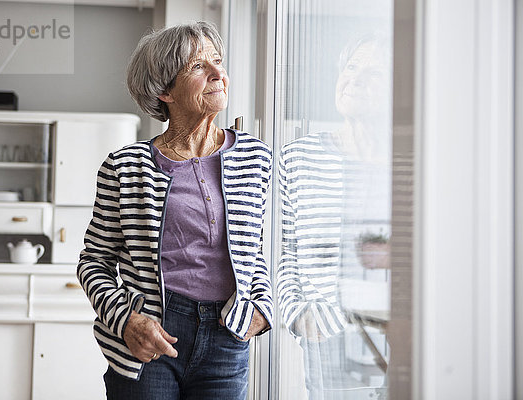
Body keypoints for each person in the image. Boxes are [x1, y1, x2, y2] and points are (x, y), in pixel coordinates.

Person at [77, 21, 273, 400]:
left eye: (218, 61)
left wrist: (262, 306)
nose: (219, 74)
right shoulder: (125, 166)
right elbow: (94, 262)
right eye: (200, 67)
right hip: (151, 339)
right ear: (165, 90)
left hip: (227, 336)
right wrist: (126, 321)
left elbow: (254, 251)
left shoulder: (254, 157)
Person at [277, 33, 392, 399]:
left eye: (373, 73)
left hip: (397, 334)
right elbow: (282, 252)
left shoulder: (410, 161)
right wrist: (297, 315)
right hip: (327, 338)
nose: (354, 79)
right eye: (351, 67)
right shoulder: (298, 158)